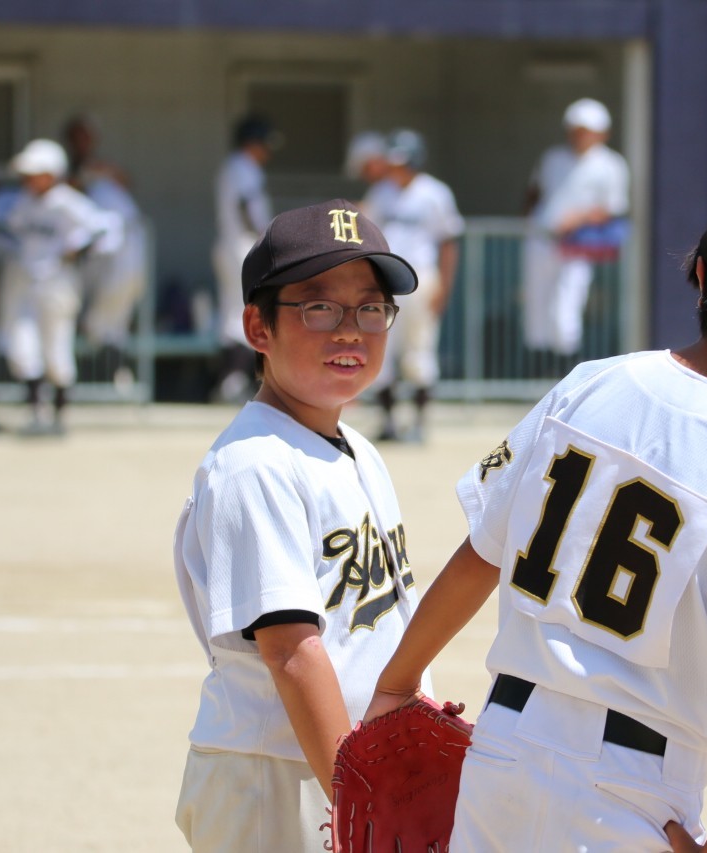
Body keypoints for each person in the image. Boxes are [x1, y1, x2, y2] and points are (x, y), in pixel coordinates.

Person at [364, 170, 707, 852]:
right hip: (634, 788)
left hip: (503, 750)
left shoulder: (590, 383)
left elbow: (482, 552)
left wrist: (396, 685)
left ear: (700, 272)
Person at [173, 199, 433, 851]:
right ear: (257, 327)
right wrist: (360, 802)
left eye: (370, 308)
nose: (351, 331)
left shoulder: (357, 448)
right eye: (319, 307)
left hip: (339, 762)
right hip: (278, 774)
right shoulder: (255, 463)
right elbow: (291, 650)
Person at [1, 138, 121, 435]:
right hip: (27, 281)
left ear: (52, 174)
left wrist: (78, 249)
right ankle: (35, 413)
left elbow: (107, 227)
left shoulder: (67, 201)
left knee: (56, 346)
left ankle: (58, 416)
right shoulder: (23, 201)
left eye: (36, 173)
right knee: (24, 345)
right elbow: (8, 230)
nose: (30, 179)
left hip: (58, 282)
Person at [363, 128, 464, 443]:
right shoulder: (381, 192)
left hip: (421, 278)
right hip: (385, 279)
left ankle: (419, 422)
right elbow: (366, 230)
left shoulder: (434, 193)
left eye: (402, 162)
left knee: (419, 351)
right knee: (381, 349)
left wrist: (444, 286)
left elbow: (449, 242)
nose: (397, 169)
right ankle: (388, 422)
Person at [522, 97, 630, 361]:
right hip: (541, 239)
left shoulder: (611, 164)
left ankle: (564, 364)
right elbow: (534, 191)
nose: (580, 136)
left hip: (577, 243)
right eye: (576, 130)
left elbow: (613, 207)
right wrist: (530, 218)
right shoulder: (552, 158)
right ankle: (538, 365)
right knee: (536, 301)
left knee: (567, 304)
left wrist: (578, 218)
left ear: (602, 133)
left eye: (587, 131)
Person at [63, 115, 147, 389]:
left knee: (115, 318)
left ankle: (113, 376)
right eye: (76, 136)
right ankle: (103, 378)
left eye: (85, 136)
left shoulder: (102, 173)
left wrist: (96, 171)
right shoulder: (67, 170)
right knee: (94, 320)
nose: (81, 142)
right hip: (93, 255)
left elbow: (125, 178)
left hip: (122, 251)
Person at [212, 114, 276, 404]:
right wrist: (268, 240)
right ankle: (234, 381)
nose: (267, 150)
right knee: (245, 311)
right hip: (243, 246)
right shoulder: (244, 166)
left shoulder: (232, 166)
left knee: (232, 312)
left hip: (231, 245)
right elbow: (247, 207)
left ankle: (229, 380)